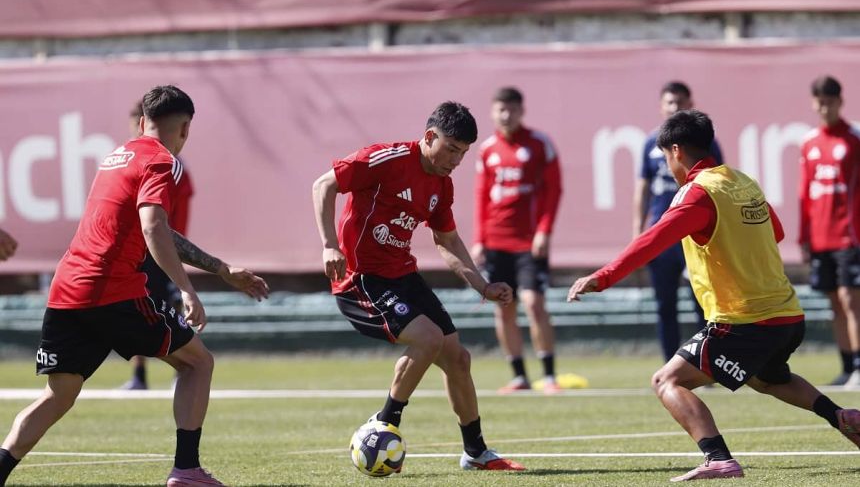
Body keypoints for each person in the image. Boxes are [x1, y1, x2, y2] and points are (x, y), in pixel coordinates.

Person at [568, 109, 860, 482]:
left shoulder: (696, 194)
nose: (668, 166)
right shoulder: (742, 181)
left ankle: (718, 458)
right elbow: (777, 231)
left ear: (676, 151)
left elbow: (652, 241)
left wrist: (602, 277)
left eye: (666, 158)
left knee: (666, 381)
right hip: (787, 315)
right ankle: (840, 416)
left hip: (743, 321)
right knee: (768, 379)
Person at [0, 85, 270, 487]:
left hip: (67, 289)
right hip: (113, 290)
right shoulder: (165, 161)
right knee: (198, 362)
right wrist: (186, 290)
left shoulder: (116, 156)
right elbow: (153, 225)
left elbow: (158, 229)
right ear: (186, 129)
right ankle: (186, 470)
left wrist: (220, 269)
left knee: (59, 394)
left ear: (143, 122)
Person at [312, 101, 525, 471]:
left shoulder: (442, 185)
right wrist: (330, 244)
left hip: (402, 276)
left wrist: (482, 285)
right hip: (360, 278)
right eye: (452, 149)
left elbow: (448, 241)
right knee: (428, 338)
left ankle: (475, 452)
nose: (456, 160)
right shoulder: (386, 158)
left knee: (458, 358)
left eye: (463, 153)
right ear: (430, 137)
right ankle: (384, 423)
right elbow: (324, 185)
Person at [472, 87, 564, 393]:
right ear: (492, 112)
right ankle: (519, 376)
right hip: (496, 242)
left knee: (533, 303)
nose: (506, 115)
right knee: (504, 308)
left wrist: (544, 230)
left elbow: (554, 190)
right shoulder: (486, 149)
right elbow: (481, 196)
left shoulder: (539, 144)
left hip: (528, 242)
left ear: (521, 111)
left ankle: (549, 375)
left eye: (511, 109)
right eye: (501, 109)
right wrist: (479, 239)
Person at [633, 81, 724, 362]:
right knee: (664, 305)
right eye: (670, 103)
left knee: (703, 302)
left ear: (690, 103)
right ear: (662, 106)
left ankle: (704, 363)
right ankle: (671, 364)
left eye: (680, 102)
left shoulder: (704, 144)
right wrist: (638, 230)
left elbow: (718, 183)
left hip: (695, 234)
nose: (675, 108)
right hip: (662, 234)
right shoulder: (651, 143)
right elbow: (642, 187)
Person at [122, 100, 195, 391]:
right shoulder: (132, 161)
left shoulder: (170, 166)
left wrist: (172, 249)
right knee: (138, 306)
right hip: (139, 248)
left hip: (159, 248)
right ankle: (140, 376)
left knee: (169, 305)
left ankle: (183, 369)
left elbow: (173, 218)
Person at [799, 75, 860, 387]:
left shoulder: (853, 139)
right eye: (819, 102)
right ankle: (847, 367)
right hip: (820, 239)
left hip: (849, 236)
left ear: (840, 102)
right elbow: (804, 195)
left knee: (852, 300)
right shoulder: (809, 144)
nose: (824, 108)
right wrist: (804, 237)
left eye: (830, 102)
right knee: (835, 303)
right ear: (814, 103)